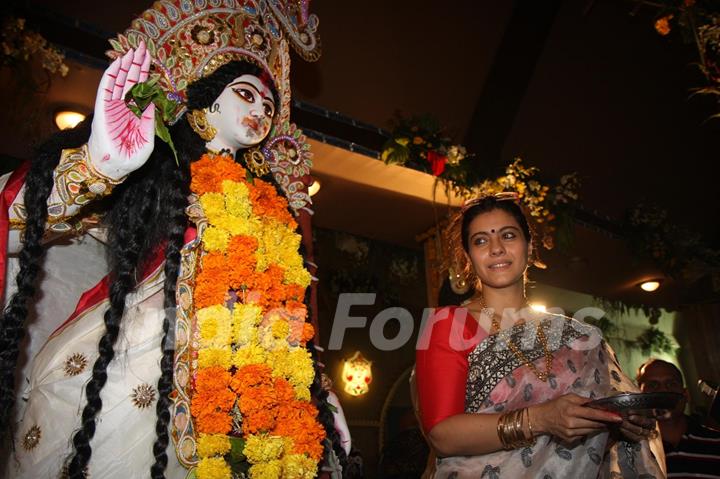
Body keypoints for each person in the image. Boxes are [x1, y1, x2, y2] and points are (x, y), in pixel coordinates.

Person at [0, 2, 349, 478]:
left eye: (268, 106)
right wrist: (104, 163)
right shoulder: (157, 162)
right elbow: (21, 216)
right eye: (245, 94)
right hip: (141, 351)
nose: (259, 113)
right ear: (206, 99)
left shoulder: (271, 204)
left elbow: (286, 306)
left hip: (253, 369)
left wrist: (316, 386)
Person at [415, 194, 666, 478]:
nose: (496, 248)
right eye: (481, 240)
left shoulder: (575, 336)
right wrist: (541, 419)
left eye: (508, 235)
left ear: (530, 246)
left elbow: (596, 416)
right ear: (468, 257)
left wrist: (620, 422)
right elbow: (442, 435)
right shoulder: (447, 324)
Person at [637, 358, 720, 478]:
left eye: (671, 384)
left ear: (686, 395)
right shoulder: (627, 450)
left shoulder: (716, 442)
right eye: (653, 385)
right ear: (639, 396)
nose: (663, 390)